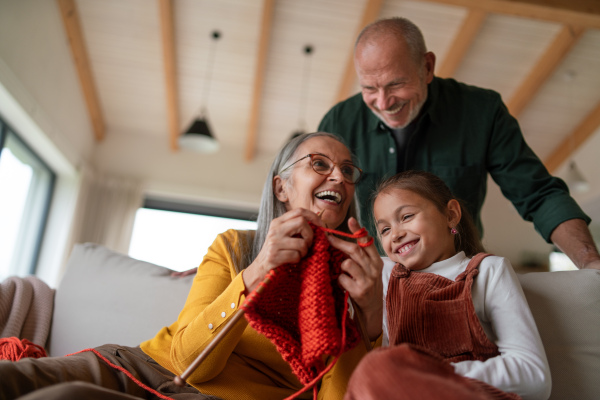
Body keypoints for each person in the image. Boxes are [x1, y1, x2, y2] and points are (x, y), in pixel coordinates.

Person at [0, 132, 384, 400]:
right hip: (139, 367)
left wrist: (368, 318)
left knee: (66, 397)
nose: (338, 176)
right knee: (15, 379)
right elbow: (186, 358)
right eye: (320, 164)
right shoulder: (235, 246)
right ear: (281, 187)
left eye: (348, 171)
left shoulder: (354, 275)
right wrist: (257, 271)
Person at [318, 17, 600, 270]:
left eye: (395, 85)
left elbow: (538, 194)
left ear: (427, 67)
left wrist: (589, 263)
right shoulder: (339, 122)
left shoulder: (482, 111)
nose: (383, 102)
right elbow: (318, 208)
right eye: (369, 88)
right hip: (370, 282)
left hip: (461, 278)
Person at [344, 170, 551, 400]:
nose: (395, 235)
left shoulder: (488, 271)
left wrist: (430, 374)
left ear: (451, 215)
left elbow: (534, 376)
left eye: (406, 217)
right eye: (384, 229)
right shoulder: (384, 274)